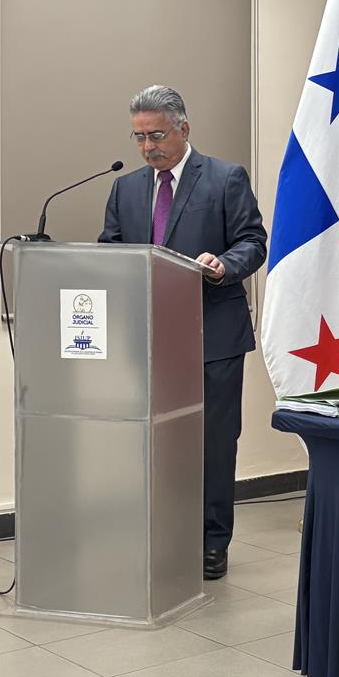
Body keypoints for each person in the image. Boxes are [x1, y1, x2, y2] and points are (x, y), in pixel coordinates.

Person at [100, 85, 267, 579]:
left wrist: (222, 264)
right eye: (138, 137)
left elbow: (253, 242)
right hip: (149, 340)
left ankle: (212, 542)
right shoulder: (126, 188)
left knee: (212, 443)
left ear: (183, 129)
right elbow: (110, 249)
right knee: (155, 441)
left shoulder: (224, 178)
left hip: (212, 335)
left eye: (156, 134)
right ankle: (160, 533)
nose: (148, 146)